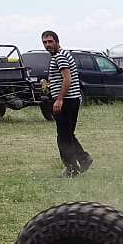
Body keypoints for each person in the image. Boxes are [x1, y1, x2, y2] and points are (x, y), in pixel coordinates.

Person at [41, 30, 92, 177]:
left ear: (57, 41)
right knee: (68, 134)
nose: (47, 45)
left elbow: (67, 79)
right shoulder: (64, 54)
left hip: (66, 101)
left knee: (63, 137)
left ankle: (71, 169)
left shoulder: (60, 56)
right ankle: (84, 158)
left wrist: (59, 99)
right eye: (45, 42)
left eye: (50, 41)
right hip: (72, 99)